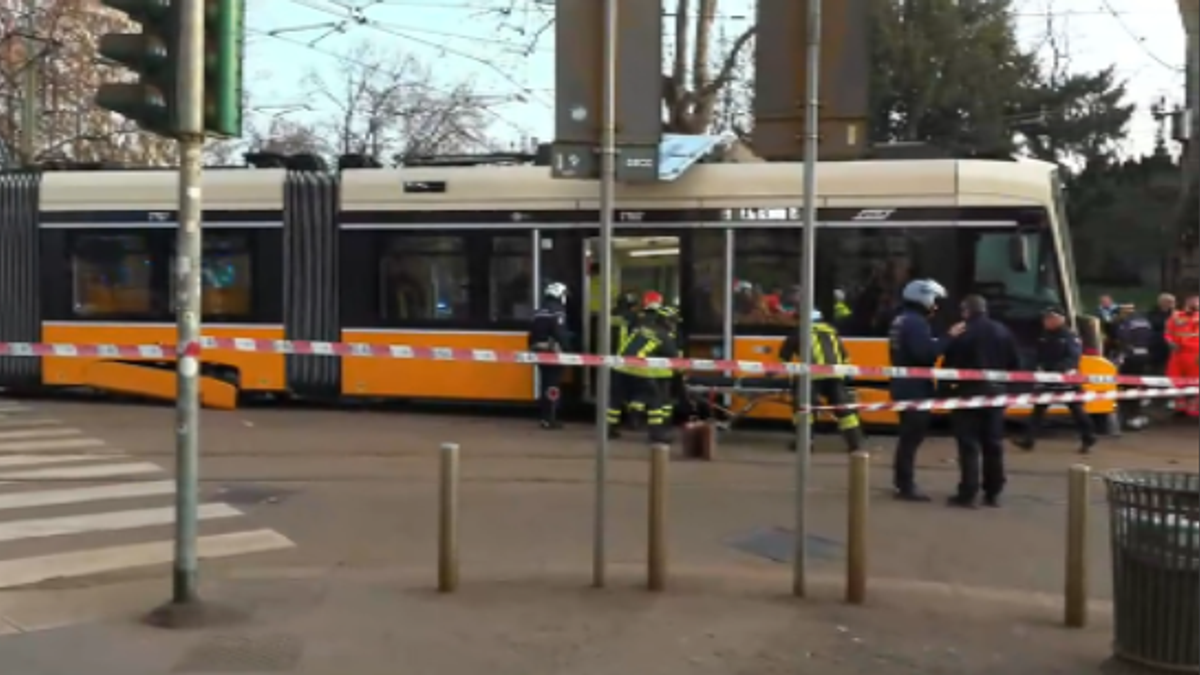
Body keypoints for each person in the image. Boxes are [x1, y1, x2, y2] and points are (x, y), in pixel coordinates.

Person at [942, 295, 1022, 509]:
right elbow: (1015, 364)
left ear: (966, 311)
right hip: (995, 393)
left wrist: (944, 390)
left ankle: (968, 492)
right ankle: (993, 491)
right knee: (993, 444)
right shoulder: (1002, 331)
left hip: (966, 393)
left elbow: (949, 365)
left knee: (968, 444)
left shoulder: (961, 332)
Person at [887, 278, 949, 502]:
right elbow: (926, 354)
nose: (936, 306)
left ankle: (901, 481)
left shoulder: (901, 320)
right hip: (914, 388)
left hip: (902, 385)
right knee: (912, 437)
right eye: (934, 300)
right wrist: (947, 339)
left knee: (907, 437)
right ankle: (906, 485)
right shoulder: (915, 323)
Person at [779, 309, 864, 452]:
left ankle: (805, 443)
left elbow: (783, 357)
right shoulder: (832, 332)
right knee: (843, 409)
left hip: (811, 376)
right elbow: (845, 356)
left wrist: (786, 374)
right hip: (835, 374)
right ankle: (855, 443)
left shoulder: (801, 331)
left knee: (804, 409)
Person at [1014, 307, 1098, 452]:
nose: (1045, 321)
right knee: (1038, 410)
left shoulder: (1069, 336)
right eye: (1045, 318)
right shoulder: (1044, 335)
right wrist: (1037, 367)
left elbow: (1073, 358)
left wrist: (1058, 370)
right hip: (1048, 380)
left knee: (1077, 411)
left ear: (1058, 319)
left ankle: (1089, 438)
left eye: (1049, 318)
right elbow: (1039, 355)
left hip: (1067, 381)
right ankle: (1028, 440)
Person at [607, 304, 680, 443]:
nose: (673, 325)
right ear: (666, 321)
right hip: (639, 369)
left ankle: (609, 429)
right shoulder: (664, 336)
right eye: (673, 321)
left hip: (619, 366)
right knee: (655, 401)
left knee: (616, 400)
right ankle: (657, 434)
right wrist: (681, 375)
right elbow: (675, 359)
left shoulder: (640, 328)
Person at [528, 281, 573, 429]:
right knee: (553, 385)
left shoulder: (539, 310)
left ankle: (544, 416)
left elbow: (532, 334)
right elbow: (560, 332)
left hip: (539, 351)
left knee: (545, 383)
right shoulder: (557, 310)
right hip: (552, 352)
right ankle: (550, 418)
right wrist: (567, 349)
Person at [1113, 304, 1154, 430]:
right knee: (1140, 384)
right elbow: (1152, 338)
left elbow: (1123, 338)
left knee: (1127, 386)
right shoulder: (1145, 322)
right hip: (1145, 356)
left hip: (1130, 357)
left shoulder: (1126, 323)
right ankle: (1139, 416)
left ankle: (1129, 418)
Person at [1165, 295, 1200, 418]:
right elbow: (1168, 333)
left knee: (1195, 381)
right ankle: (1179, 408)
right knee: (1175, 380)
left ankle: (1194, 408)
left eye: (1197, 302)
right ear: (1186, 302)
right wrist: (1170, 343)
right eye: (1193, 301)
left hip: (1195, 354)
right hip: (1177, 354)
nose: (1195, 304)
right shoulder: (1175, 317)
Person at [1148, 293, 1177, 375]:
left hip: (1173, 346)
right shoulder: (1152, 314)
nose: (1173, 304)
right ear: (1162, 303)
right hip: (1157, 346)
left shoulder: (1177, 315)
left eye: (1174, 302)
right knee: (1157, 369)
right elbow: (1156, 325)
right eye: (1170, 302)